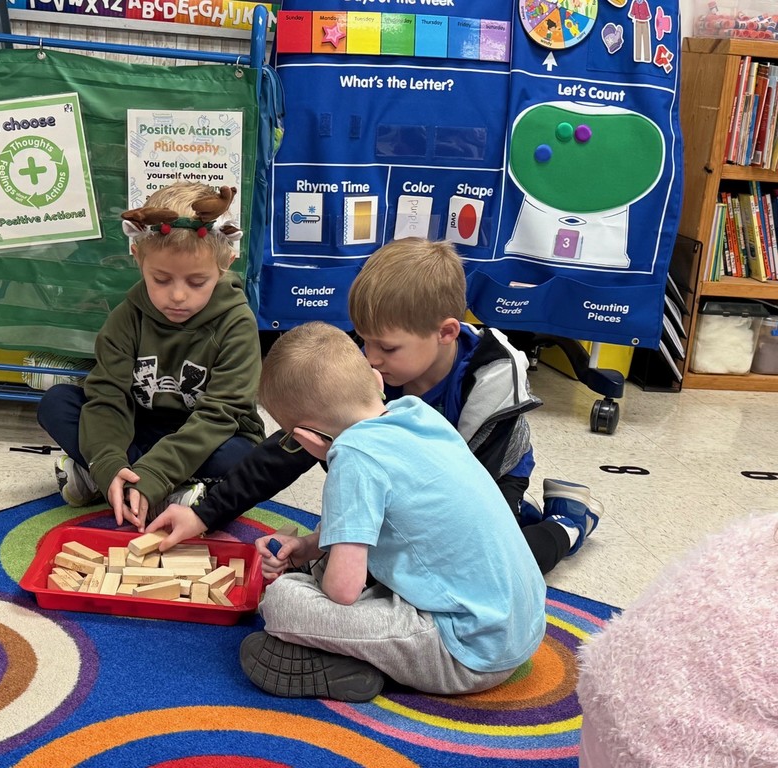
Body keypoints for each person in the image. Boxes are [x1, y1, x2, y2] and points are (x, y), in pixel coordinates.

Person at [147, 237, 602, 573]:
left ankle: (568, 523)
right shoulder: (381, 365)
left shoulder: (491, 382)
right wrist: (205, 513)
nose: (370, 359)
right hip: (408, 480)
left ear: (445, 332)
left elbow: (458, 506)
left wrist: (348, 551)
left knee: (500, 564)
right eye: (363, 340)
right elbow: (292, 444)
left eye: (386, 347)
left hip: (486, 478)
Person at [238, 322, 547, 701]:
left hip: (466, 654)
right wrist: (308, 546)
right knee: (328, 560)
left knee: (283, 602)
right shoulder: (417, 414)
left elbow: (342, 591)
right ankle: (360, 651)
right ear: (375, 380)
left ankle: (355, 662)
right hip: (521, 626)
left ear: (305, 438)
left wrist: (307, 577)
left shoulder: (354, 456)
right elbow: (394, 518)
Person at [37, 182, 265, 528]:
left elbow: (220, 415)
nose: (177, 296)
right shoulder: (127, 316)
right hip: (139, 427)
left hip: (207, 435)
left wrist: (154, 470)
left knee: (245, 457)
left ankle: (110, 479)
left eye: (196, 282)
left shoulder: (237, 324)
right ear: (138, 259)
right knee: (57, 403)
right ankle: (134, 482)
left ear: (227, 263)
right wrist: (109, 461)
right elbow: (108, 396)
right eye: (160, 279)